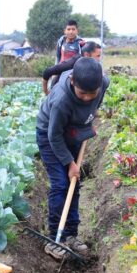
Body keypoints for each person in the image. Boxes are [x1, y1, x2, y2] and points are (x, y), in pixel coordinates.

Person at [35, 57, 109, 260]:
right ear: (73, 82)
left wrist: (89, 118)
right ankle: (54, 239)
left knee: (74, 184)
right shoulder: (61, 99)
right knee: (61, 184)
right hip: (50, 135)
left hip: (75, 131)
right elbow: (54, 136)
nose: (87, 98)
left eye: (91, 94)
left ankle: (71, 235)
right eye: (82, 93)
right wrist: (70, 163)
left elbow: (96, 102)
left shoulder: (102, 83)